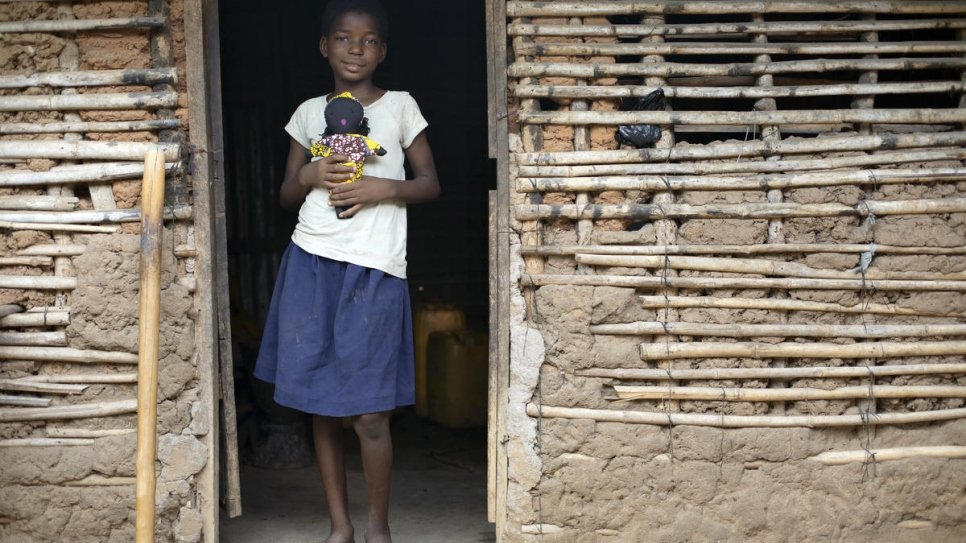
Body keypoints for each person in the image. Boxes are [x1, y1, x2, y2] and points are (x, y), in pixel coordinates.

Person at [253, 1, 439, 541]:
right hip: (311, 260)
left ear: (383, 49)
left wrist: (386, 187)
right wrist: (311, 172)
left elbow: (430, 182)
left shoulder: (401, 107)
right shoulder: (309, 112)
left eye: (369, 40)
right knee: (319, 403)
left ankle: (378, 528)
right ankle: (341, 526)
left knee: (370, 413)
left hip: (376, 266)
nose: (356, 49)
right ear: (324, 47)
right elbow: (287, 194)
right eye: (342, 38)